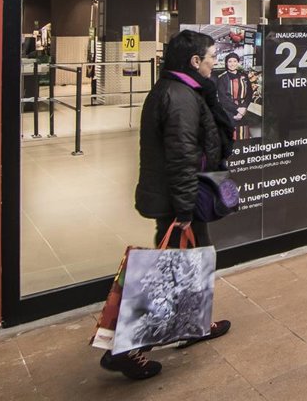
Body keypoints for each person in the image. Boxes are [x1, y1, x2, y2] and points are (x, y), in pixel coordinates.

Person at [104, 31, 232, 380]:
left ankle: (194, 325)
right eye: (211, 56)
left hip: (178, 197)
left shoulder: (179, 90)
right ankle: (125, 350)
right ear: (194, 61)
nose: (214, 62)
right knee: (170, 272)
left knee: (193, 261)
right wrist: (185, 210)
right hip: (177, 201)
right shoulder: (179, 98)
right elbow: (181, 157)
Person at [217, 53, 256, 139]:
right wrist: (238, 109)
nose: (232, 64)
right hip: (228, 112)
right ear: (226, 63)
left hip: (243, 111)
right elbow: (223, 99)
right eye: (230, 61)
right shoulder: (222, 78)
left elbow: (249, 93)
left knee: (244, 137)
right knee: (230, 138)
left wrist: (244, 108)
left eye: (235, 61)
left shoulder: (244, 76)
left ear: (238, 62)